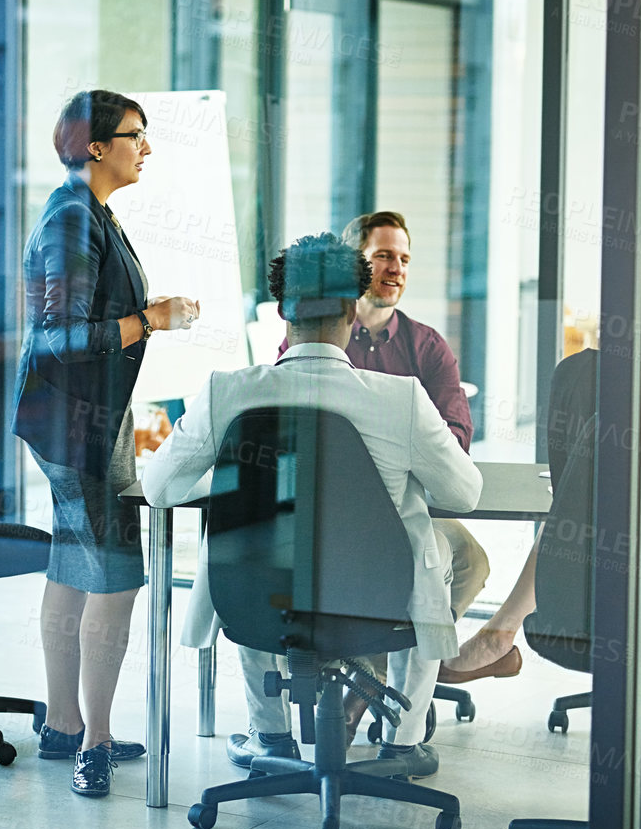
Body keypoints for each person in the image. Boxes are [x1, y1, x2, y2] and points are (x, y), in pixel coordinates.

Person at [440, 224, 641, 829]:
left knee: (624, 580)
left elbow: (570, 504)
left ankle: (498, 635)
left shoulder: (578, 375)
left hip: (589, 606)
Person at [142, 233, 482, 780]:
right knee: (434, 554)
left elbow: (159, 488)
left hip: (261, 602)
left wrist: (233, 483)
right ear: (352, 308)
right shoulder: (400, 400)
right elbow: (464, 494)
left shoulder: (227, 393)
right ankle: (402, 741)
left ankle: (270, 736)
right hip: (377, 602)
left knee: (249, 547)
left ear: (282, 311)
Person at [11, 89, 201, 799]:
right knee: (116, 578)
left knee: (71, 566)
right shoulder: (69, 217)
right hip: (74, 424)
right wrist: (153, 318)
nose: (145, 147)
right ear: (96, 146)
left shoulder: (87, 211)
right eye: (135, 135)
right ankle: (93, 740)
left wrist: (148, 320)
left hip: (84, 420)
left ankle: (65, 723)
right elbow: (56, 341)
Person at [332, 211, 511, 690]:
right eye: (384, 256)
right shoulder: (320, 335)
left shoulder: (427, 346)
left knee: (471, 559)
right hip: (336, 508)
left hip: (408, 501)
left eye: (404, 259)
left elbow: (456, 436)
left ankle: (389, 674)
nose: (396, 269)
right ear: (354, 264)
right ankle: (397, 678)